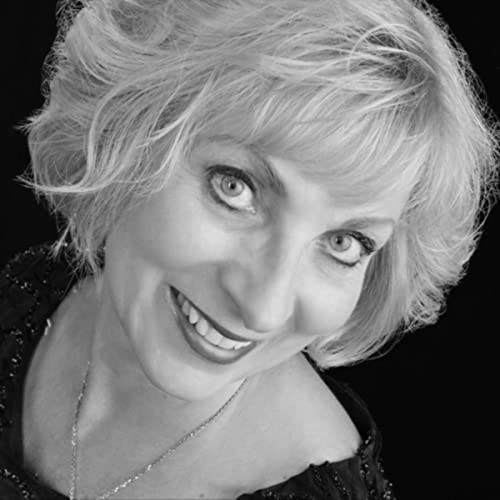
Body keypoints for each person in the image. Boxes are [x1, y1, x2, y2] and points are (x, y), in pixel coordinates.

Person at [1, 0, 498, 498]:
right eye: (235, 188)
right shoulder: (28, 295)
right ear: (126, 129)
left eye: (344, 243)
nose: (264, 309)